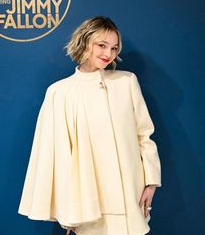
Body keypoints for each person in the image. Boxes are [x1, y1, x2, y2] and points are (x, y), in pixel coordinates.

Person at [18, 16, 162, 235]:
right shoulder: (60, 92)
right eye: (101, 45)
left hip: (129, 197)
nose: (108, 54)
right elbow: (56, 156)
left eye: (114, 48)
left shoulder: (126, 82)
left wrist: (151, 182)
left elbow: (144, 136)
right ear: (84, 42)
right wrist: (67, 208)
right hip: (89, 204)